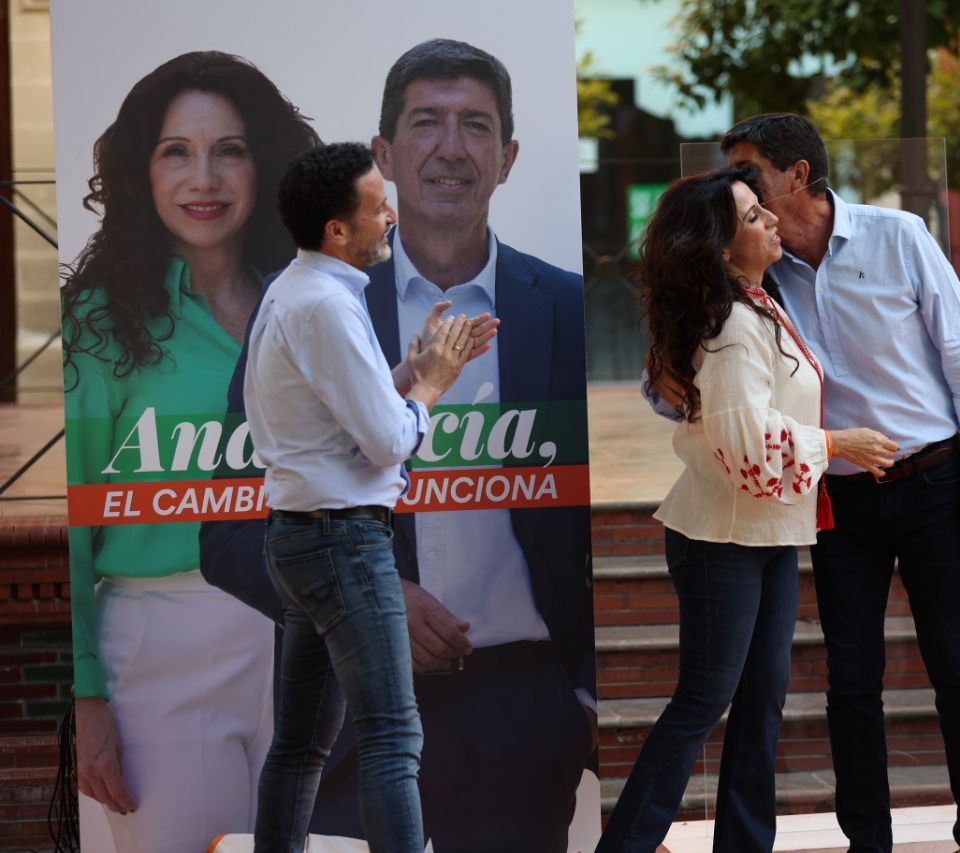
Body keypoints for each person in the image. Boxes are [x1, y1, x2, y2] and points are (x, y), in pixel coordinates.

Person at [200, 39, 595, 852]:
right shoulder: (307, 305)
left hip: (525, 716)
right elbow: (228, 529)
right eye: (426, 123)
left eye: (476, 127)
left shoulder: (569, 310)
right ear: (382, 155)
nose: (451, 148)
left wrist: (579, 701)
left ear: (508, 156)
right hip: (353, 720)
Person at [722, 114, 960, 853]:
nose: (736, 188)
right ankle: (867, 842)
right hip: (838, 496)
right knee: (850, 680)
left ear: (797, 176)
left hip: (935, 477)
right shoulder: (758, 273)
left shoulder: (898, 235)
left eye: (748, 171)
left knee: (957, 664)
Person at [60, 51, 319, 852]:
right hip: (163, 643)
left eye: (228, 150)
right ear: (142, 171)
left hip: (308, 639)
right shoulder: (99, 326)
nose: (203, 177)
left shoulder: (306, 299)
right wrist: (87, 696)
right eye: (177, 150)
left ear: (263, 162)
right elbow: (72, 518)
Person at [599, 166, 900, 853]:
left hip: (765, 530)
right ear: (722, 245)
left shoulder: (758, 304)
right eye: (753, 216)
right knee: (705, 700)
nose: (771, 221)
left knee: (760, 703)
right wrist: (835, 442)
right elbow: (747, 444)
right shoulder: (734, 324)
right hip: (722, 535)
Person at [247, 140, 484, 852]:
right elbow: (387, 439)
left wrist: (416, 366)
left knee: (300, 744)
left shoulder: (298, 289)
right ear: (336, 231)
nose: (392, 214)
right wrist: (435, 384)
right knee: (392, 736)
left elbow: (346, 412)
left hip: (304, 536)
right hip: (340, 540)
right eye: (377, 205)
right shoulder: (324, 303)